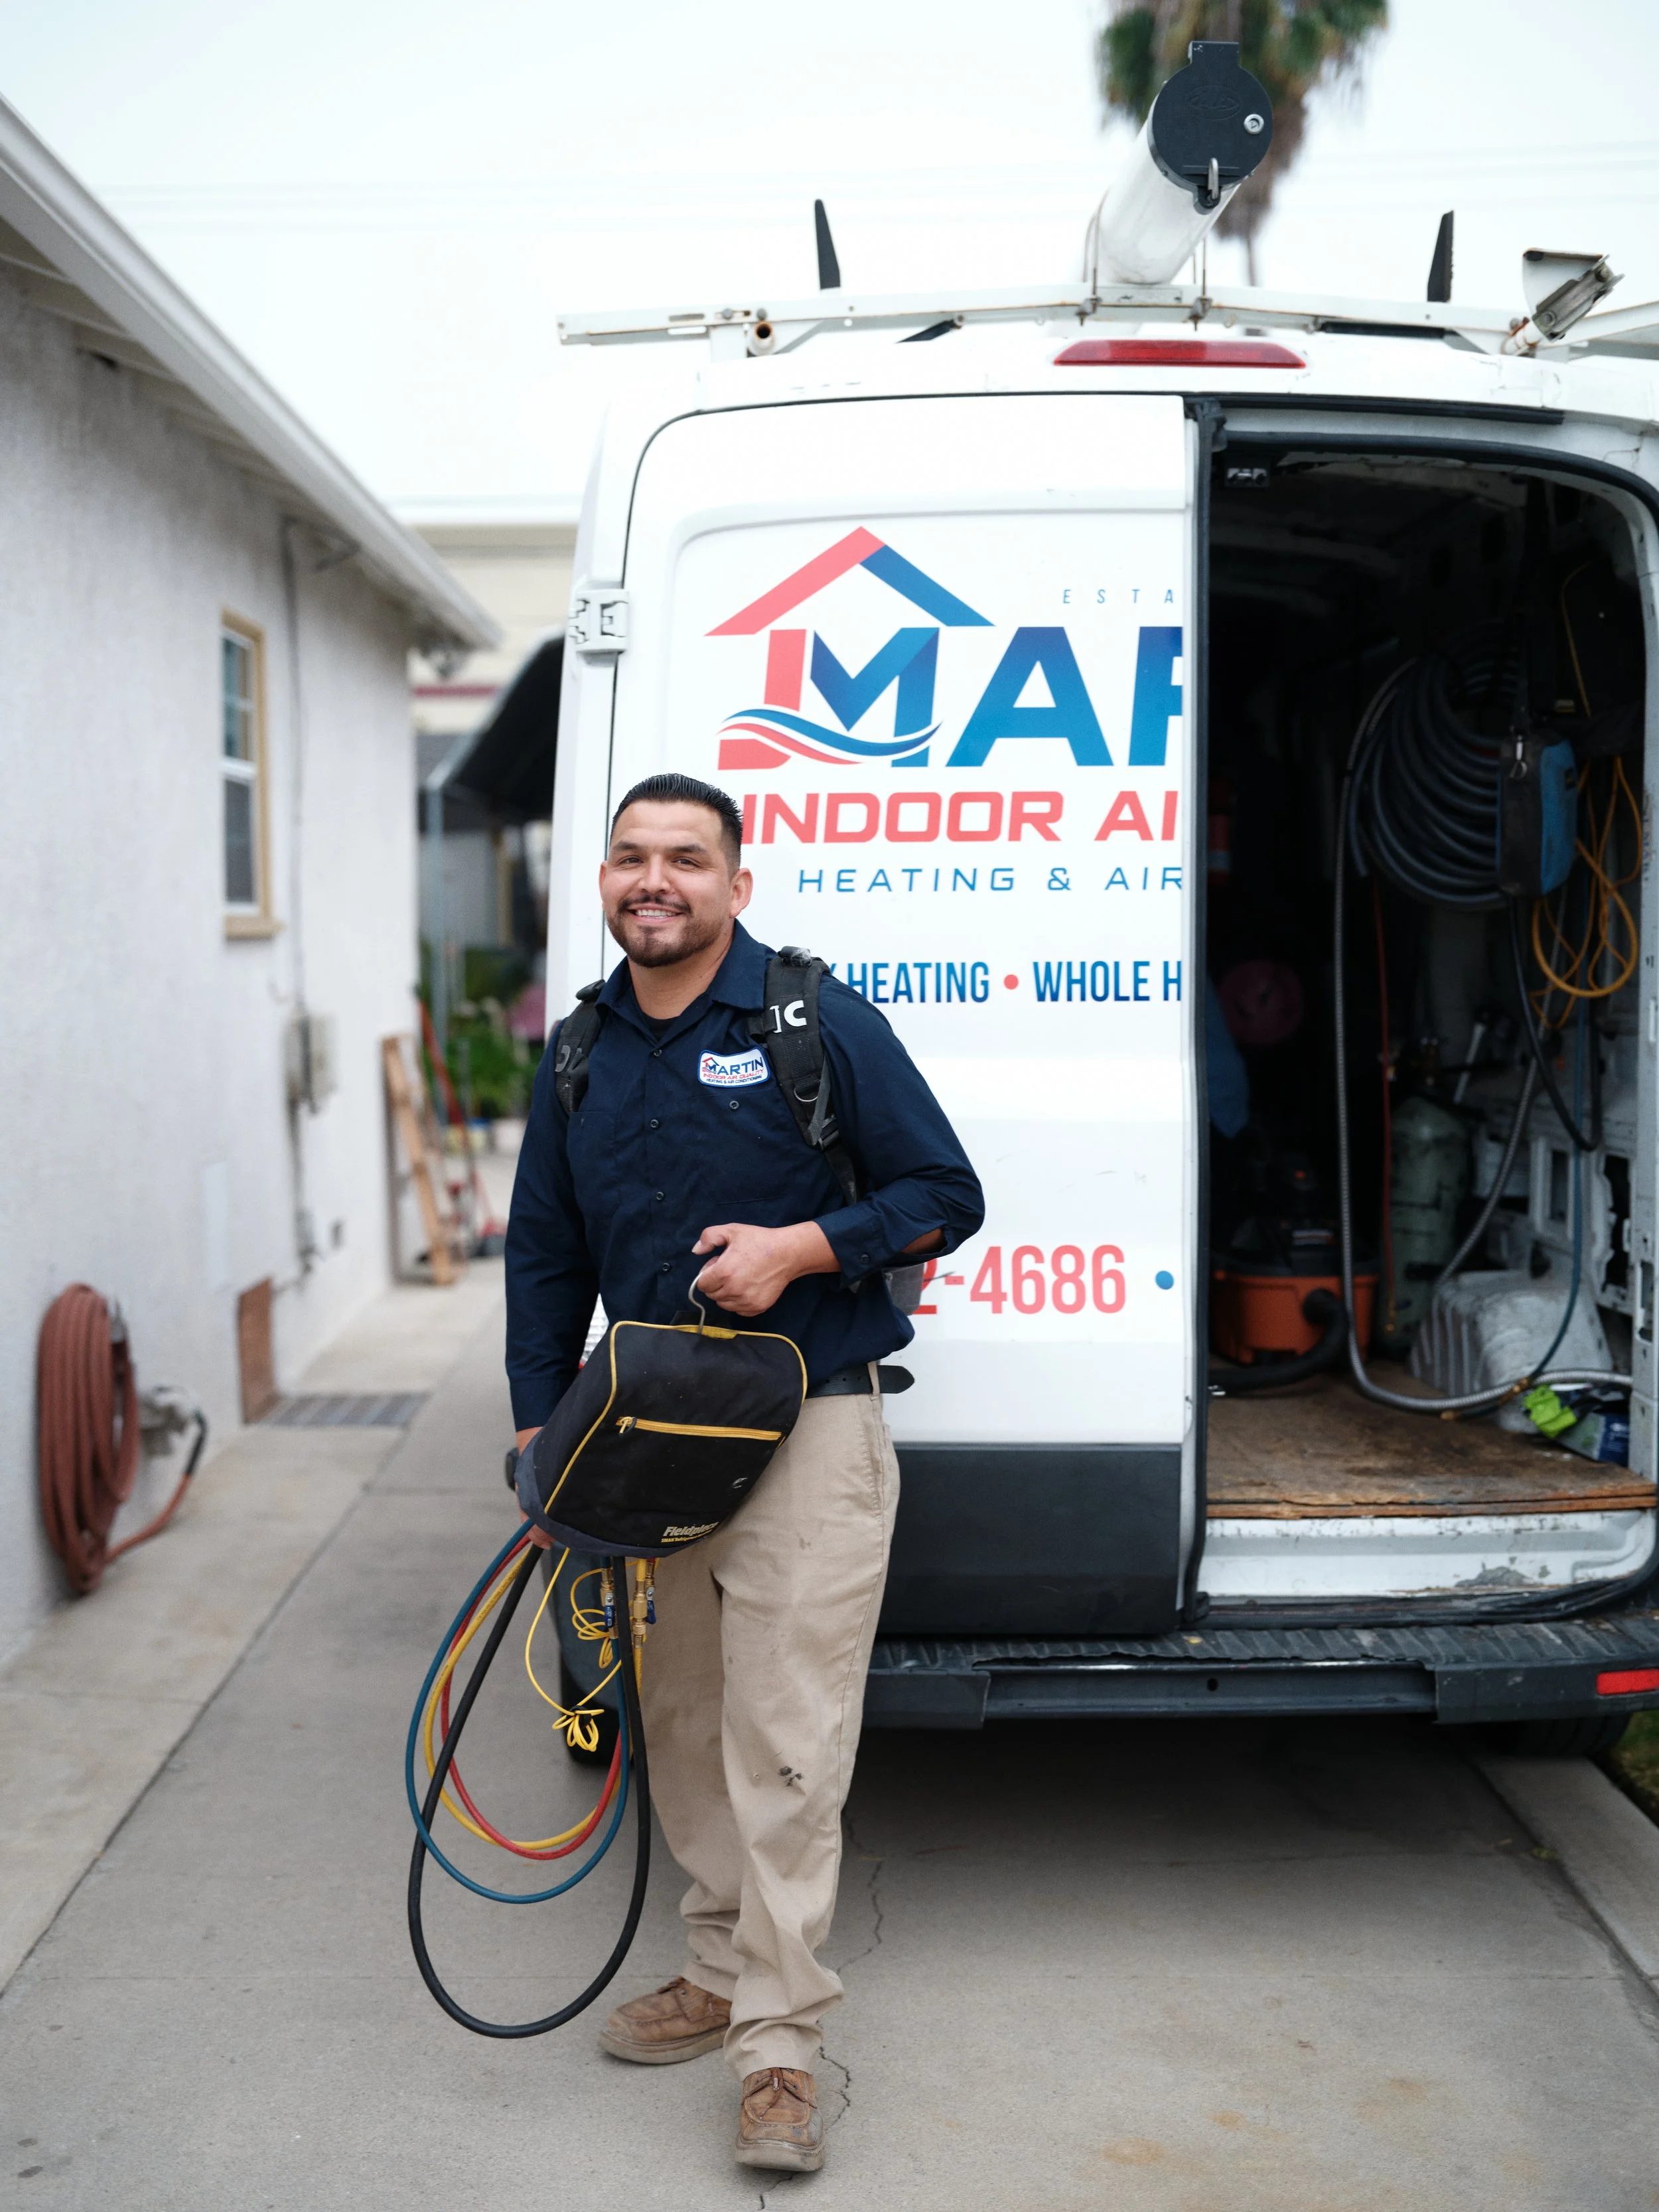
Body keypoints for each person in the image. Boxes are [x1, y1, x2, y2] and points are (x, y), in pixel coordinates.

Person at [505, 772, 983, 2174]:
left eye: (686, 861)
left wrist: (800, 1247)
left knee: (782, 1741)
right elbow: (542, 1250)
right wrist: (541, 1427)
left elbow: (943, 1193)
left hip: (808, 1427)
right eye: (630, 858)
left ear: (736, 882)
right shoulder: (582, 1048)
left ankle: (776, 2048)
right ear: (603, 879)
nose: (654, 882)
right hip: (646, 1438)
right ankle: (714, 1971)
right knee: (685, 1719)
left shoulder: (810, 1020)